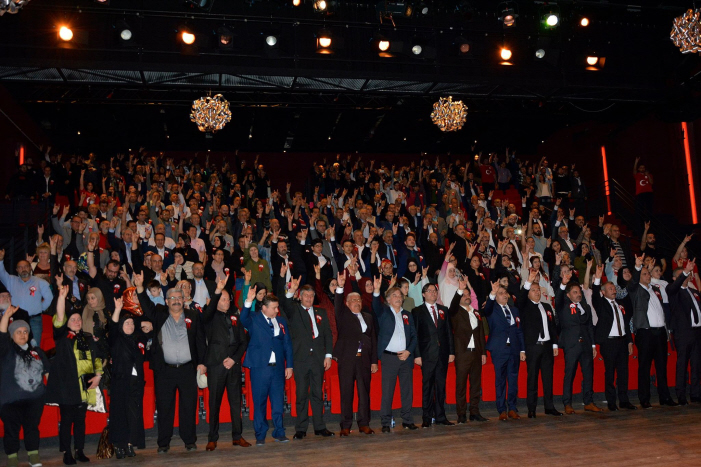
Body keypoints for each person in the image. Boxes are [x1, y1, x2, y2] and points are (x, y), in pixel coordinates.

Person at [134, 271, 207, 453]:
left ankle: (189, 440)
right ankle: (163, 443)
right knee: (165, 408)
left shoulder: (193, 316)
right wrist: (141, 288)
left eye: (179, 297)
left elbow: (200, 341)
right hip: (164, 371)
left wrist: (202, 363)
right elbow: (145, 305)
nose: (176, 300)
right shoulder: (159, 314)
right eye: (172, 298)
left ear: (184, 300)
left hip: (187, 370)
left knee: (188, 407)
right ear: (166, 302)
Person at [49, 285, 104, 465]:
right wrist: (61, 297)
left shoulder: (87, 337)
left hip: (85, 385)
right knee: (66, 422)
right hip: (68, 387)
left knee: (81, 421)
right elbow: (58, 318)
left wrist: (98, 376)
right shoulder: (62, 337)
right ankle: (66, 452)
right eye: (73, 319)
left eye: (79, 319)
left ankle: (79, 450)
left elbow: (97, 359)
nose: (77, 321)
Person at [278, 267, 334, 439]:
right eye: (306, 296)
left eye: (311, 296)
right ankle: (301, 429)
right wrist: (290, 291)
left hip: (318, 359)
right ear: (300, 297)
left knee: (318, 394)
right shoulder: (294, 310)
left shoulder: (321, 312)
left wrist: (328, 355)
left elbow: (327, 335)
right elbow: (285, 302)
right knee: (301, 394)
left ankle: (320, 427)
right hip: (300, 359)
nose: (309, 298)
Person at [201, 273, 251, 450]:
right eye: (223, 299)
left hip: (233, 365)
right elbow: (208, 311)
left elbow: (243, 342)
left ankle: (237, 436)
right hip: (216, 365)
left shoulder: (235, 317)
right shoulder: (210, 316)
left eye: (228, 299)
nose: (227, 301)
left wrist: (234, 359)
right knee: (214, 403)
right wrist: (217, 292)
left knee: (235, 402)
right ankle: (212, 438)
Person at [240, 285, 294, 445]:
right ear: (264, 308)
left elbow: (287, 344)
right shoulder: (254, 318)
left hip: (277, 369)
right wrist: (248, 301)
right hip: (259, 368)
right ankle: (260, 435)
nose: (277, 310)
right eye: (274, 308)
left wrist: (289, 365)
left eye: (277, 307)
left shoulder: (281, 321)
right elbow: (243, 318)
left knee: (278, 402)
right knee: (259, 403)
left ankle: (279, 432)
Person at [627, 254, 677, 408]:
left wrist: (666, 330)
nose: (648, 276)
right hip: (645, 332)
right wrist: (637, 267)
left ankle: (665, 397)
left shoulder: (655, 289)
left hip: (660, 331)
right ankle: (644, 398)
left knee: (662, 366)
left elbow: (661, 310)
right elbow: (632, 282)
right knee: (644, 366)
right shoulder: (636, 290)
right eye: (645, 274)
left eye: (648, 273)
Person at [0, 307, 48, 467]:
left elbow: (47, 372)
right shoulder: (6, 350)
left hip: (34, 399)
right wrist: (6, 315)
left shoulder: (37, 351)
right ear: (12, 335)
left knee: (32, 428)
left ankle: (33, 455)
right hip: (10, 400)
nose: (22, 334)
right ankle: (12, 457)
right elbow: (1, 336)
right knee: (11, 430)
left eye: (25, 331)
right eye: (18, 332)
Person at [334, 273, 378, 437]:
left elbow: (373, 339)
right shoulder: (343, 315)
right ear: (347, 303)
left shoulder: (368, 317)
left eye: (359, 300)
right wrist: (340, 287)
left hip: (364, 360)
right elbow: (337, 304)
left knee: (364, 393)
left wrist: (374, 361)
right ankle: (345, 425)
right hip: (347, 360)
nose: (357, 302)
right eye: (353, 300)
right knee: (346, 392)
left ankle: (364, 423)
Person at [373, 278, 418, 432]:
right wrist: (376, 291)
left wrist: (409, 351)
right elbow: (375, 305)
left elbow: (414, 336)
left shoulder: (407, 315)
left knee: (407, 391)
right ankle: (385, 422)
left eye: (400, 296)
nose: (398, 298)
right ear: (388, 299)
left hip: (405, 358)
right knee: (387, 391)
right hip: (389, 357)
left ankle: (407, 420)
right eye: (395, 296)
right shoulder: (383, 312)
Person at [556, 269, 601, 414]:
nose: (578, 294)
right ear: (568, 295)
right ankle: (567, 403)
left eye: (579, 291)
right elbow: (558, 298)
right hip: (571, 344)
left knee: (588, 373)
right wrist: (563, 283)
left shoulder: (585, 306)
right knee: (569, 374)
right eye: (575, 292)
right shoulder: (564, 305)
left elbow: (589, 326)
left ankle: (588, 402)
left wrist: (593, 344)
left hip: (586, 344)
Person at [591, 264, 636, 411]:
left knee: (623, 373)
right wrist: (598, 278)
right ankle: (611, 401)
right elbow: (594, 295)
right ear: (603, 292)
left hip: (622, 341)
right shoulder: (601, 303)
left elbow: (625, 322)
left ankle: (624, 400)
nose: (614, 290)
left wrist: (629, 340)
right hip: (609, 342)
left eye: (614, 288)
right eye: (610, 288)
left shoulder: (620, 304)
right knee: (610, 372)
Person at [518, 269, 561, 418]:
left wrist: (555, 345)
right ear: (529, 292)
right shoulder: (524, 306)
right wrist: (529, 280)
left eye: (538, 290)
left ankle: (549, 406)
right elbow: (521, 297)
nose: (537, 292)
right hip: (533, 347)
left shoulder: (547, 307)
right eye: (533, 290)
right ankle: (532, 408)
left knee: (548, 378)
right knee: (533, 379)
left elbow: (552, 327)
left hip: (547, 346)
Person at [412, 282, 455, 427]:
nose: (433, 293)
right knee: (427, 387)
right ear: (423, 294)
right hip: (427, 355)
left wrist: (451, 352)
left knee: (441, 387)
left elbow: (449, 332)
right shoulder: (417, 311)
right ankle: (426, 417)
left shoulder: (444, 310)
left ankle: (441, 416)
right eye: (429, 291)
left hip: (442, 355)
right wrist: (417, 355)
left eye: (435, 291)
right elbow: (415, 335)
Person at [108, 297, 146, 458]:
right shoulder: (116, 340)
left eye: (131, 323)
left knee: (133, 414)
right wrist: (117, 309)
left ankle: (130, 443)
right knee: (119, 414)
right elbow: (113, 327)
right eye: (126, 323)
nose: (130, 326)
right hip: (120, 382)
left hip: (135, 383)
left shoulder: (136, 341)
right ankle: (119, 445)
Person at [483, 280, 525, 421]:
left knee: (513, 380)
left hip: (514, 349)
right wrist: (493, 293)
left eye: (505, 293)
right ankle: (501, 410)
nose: (505, 295)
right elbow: (487, 308)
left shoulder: (514, 310)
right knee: (500, 380)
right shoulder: (492, 309)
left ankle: (512, 408)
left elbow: (519, 331)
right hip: (499, 350)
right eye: (501, 293)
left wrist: (522, 350)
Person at [447, 280, 487, 423]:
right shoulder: (455, 312)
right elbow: (451, 307)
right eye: (463, 295)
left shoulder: (476, 313)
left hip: (476, 353)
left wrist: (483, 352)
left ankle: (475, 412)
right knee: (461, 385)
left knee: (476, 384)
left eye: (468, 294)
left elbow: (481, 334)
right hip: (462, 353)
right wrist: (459, 290)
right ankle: (461, 414)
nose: (466, 296)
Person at [0, 249, 53, 347]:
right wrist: (0, 261)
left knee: (34, 347)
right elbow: (1, 273)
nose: (23, 269)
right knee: (13, 346)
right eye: (20, 267)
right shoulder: (11, 280)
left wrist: (39, 308)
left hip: (34, 320)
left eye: (25, 266)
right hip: (15, 319)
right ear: (16, 270)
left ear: (30, 268)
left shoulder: (40, 282)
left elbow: (49, 298)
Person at [666, 259, 701, 405]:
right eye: (682, 275)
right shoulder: (673, 291)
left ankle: (695, 394)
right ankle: (681, 395)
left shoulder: (693, 291)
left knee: (697, 365)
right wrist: (685, 271)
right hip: (683, 333)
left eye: (686, 275)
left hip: (697, 332)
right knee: (682, 364)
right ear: (675, 278)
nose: (686, 277)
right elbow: (674, 288)